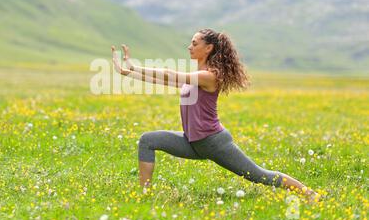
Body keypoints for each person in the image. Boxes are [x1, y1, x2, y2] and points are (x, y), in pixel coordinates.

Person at [111, 28, 321, 202]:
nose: (189, 46)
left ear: (208, 48)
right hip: (192, 142)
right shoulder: (196, 76)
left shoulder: (209, 76)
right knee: (147, 140)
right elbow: (166, 80)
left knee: (258, 175)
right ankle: (144, 196)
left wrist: (134, 66)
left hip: (213, 142)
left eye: (194, 43)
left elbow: (171, 74)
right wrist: (129, 71)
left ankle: (310, 194)